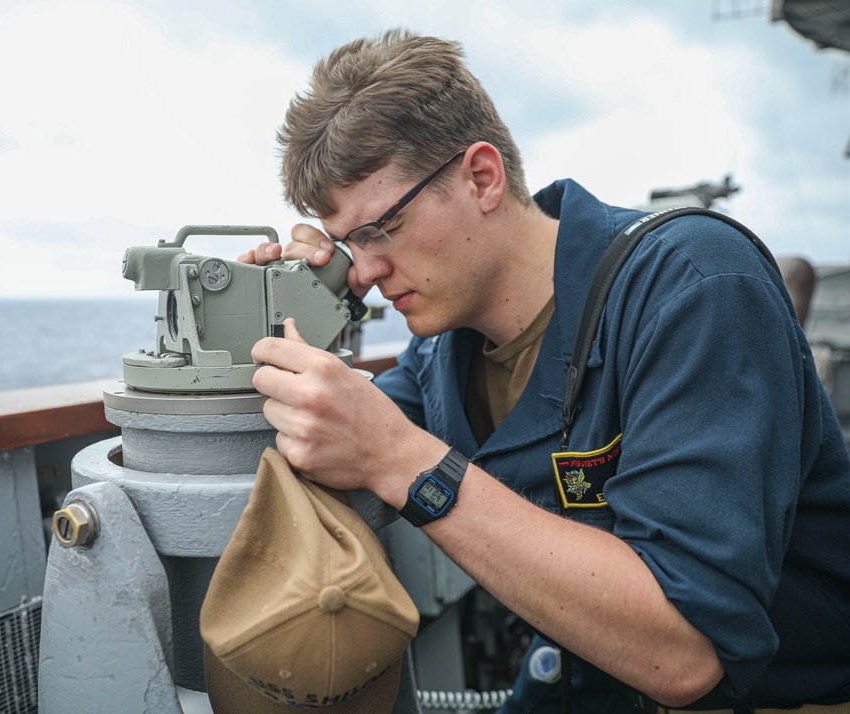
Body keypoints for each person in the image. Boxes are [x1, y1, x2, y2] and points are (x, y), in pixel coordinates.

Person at [240, 29, 850, 712]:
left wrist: (404, 459)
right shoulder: (443, 351)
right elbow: (339, 446)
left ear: (481, 177)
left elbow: (686, 651)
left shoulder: (694, 286)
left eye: (379, 230)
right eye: (350, 245)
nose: (370, 271)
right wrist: (303, 306)